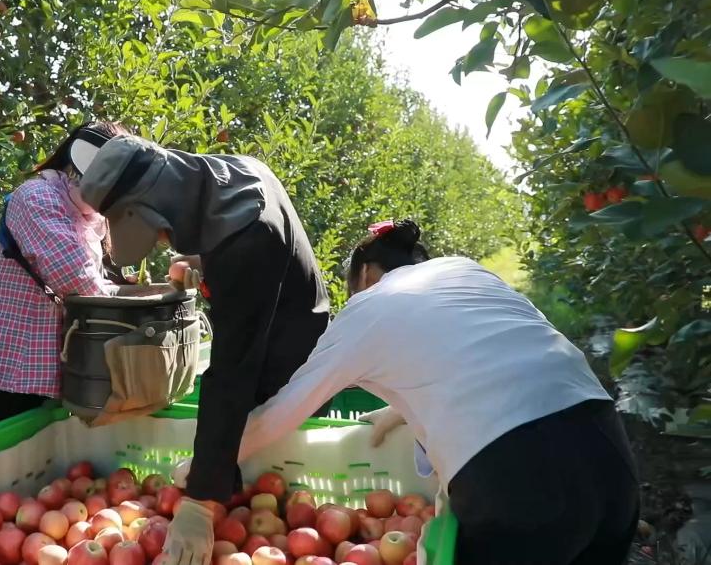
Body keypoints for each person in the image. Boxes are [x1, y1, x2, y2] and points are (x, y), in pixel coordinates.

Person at [235, 219, 640, 565]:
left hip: (518, 479)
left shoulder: (370, 305)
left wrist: (209, 469)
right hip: (609, 452)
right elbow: (501, 355)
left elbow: (281, 415)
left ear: (365, 276)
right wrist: (399, 412)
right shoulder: (466, 272)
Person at [78, 134, 332, 565]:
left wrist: (199, 500)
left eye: (153, 230)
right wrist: (204, 262)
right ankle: (218, 473)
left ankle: (215, 481)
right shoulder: (228, 175)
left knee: (251, 434)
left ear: (148, 208)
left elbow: (233, 372)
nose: (160, 240)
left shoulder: (249, 237)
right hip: (290, 325)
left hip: (288, 361)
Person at [0, 122, 130, 421]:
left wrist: (117, 283)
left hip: (59, 363)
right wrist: (132, 305)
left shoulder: (83, 210)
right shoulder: (38, 197)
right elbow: (75, 278)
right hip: (23, 367)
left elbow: (85, 272)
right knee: (26, 456)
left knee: (62, 458)